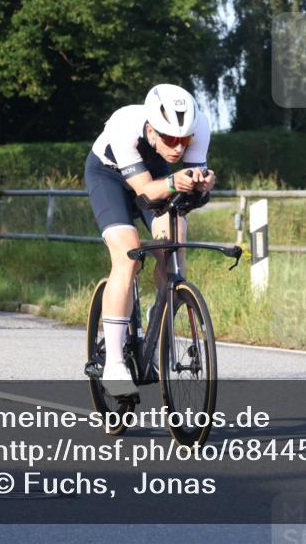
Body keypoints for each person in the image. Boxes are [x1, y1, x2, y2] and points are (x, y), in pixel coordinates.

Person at [84, 84, 216, 397]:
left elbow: (191, 189)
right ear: (150, 129)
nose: (179, 148)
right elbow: (144, 192)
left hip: (155, 172)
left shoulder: (200, 128)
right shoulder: (125, 125)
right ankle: (115, 363)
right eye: (170, 139)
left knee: (176, 238)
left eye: (185, 141)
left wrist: (204, 185)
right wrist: (173, 182)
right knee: (127, 253)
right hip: (109, 175)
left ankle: (160, 323)